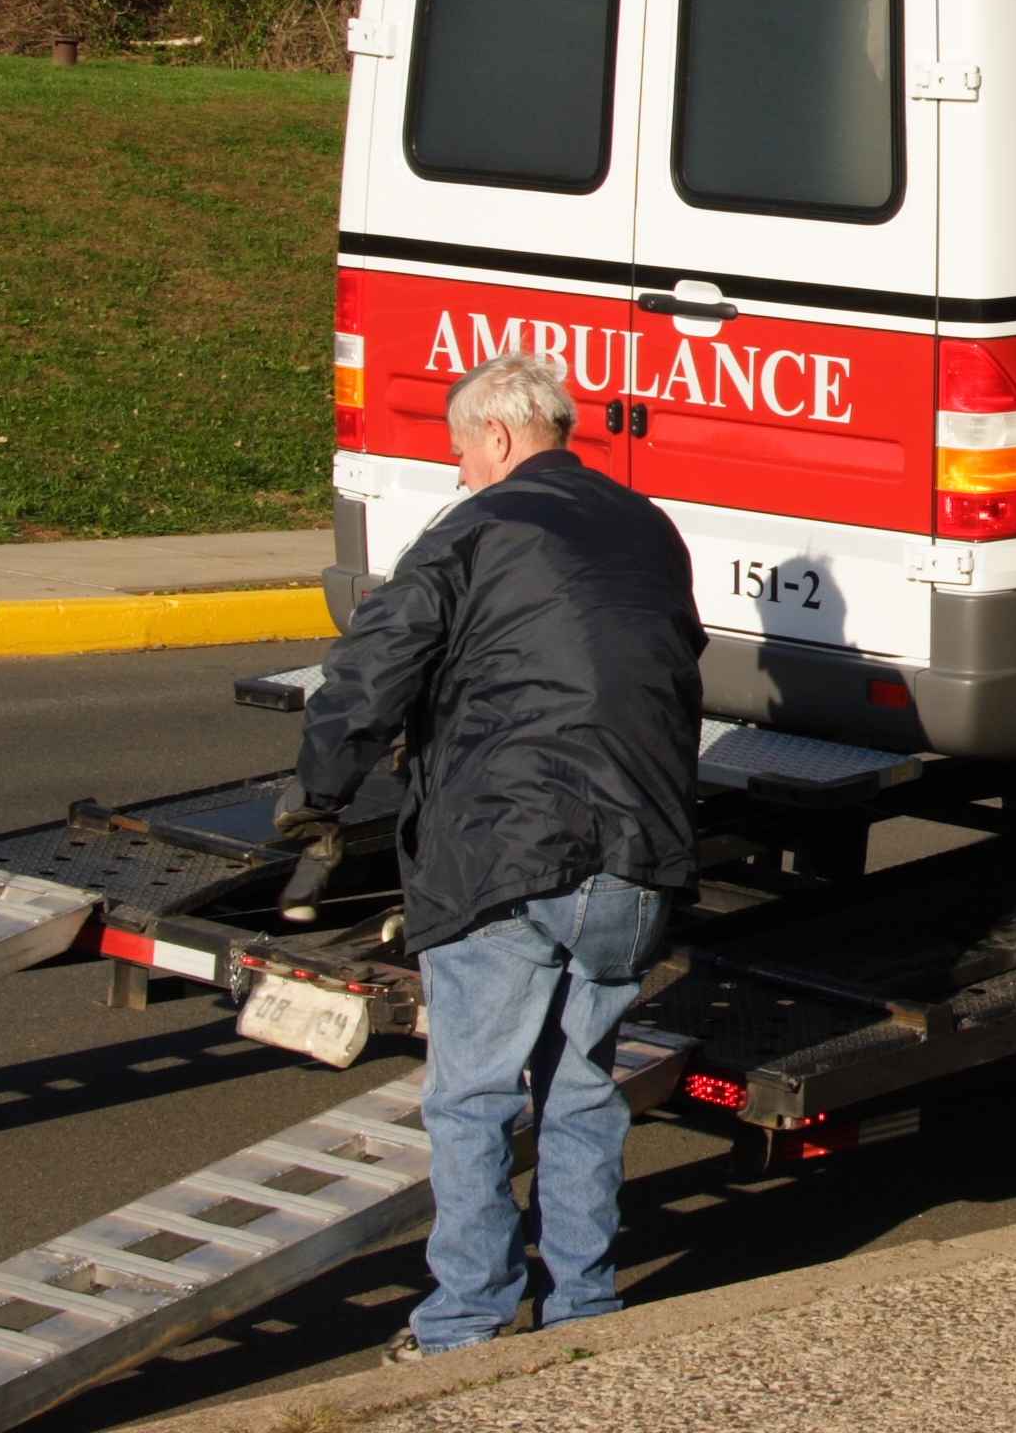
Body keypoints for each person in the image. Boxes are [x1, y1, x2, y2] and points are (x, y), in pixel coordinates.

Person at [278, 349, 705, 1362]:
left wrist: (317, 798)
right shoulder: (646, 525)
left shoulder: (471, 529)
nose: (458, 467)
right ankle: (582, 1308)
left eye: (462, 449)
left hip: (505, 846)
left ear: (501, 437)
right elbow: (675, 660)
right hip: (636, 853)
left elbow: (370, 671)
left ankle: (466, 1323)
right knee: (583, 1085)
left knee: (472, 1097)